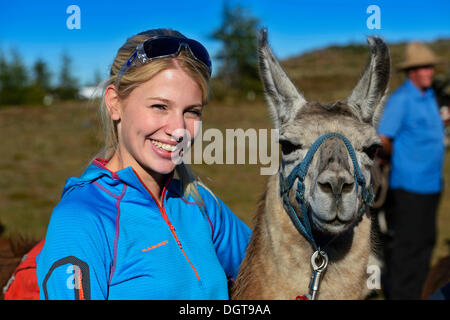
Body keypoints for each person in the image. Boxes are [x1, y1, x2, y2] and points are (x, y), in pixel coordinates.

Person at [35, 29, 251, 300]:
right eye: (160, 106)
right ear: (115, 103)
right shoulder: (82, 219)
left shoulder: (198, 202)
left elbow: (279, 270)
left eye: (192, 111)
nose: (178, 129)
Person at [377, 41, 445, 300]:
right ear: (412, 71)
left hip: (432, 185)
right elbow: (384, 138)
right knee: (407, 247)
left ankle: (419, 292)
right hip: (408, 187)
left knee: (426, 242)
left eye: (430, 66)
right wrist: (401, 158)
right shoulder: (402, 99)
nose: (429, 71)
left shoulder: (428, 96)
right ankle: (401, 294)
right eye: (423, 67)